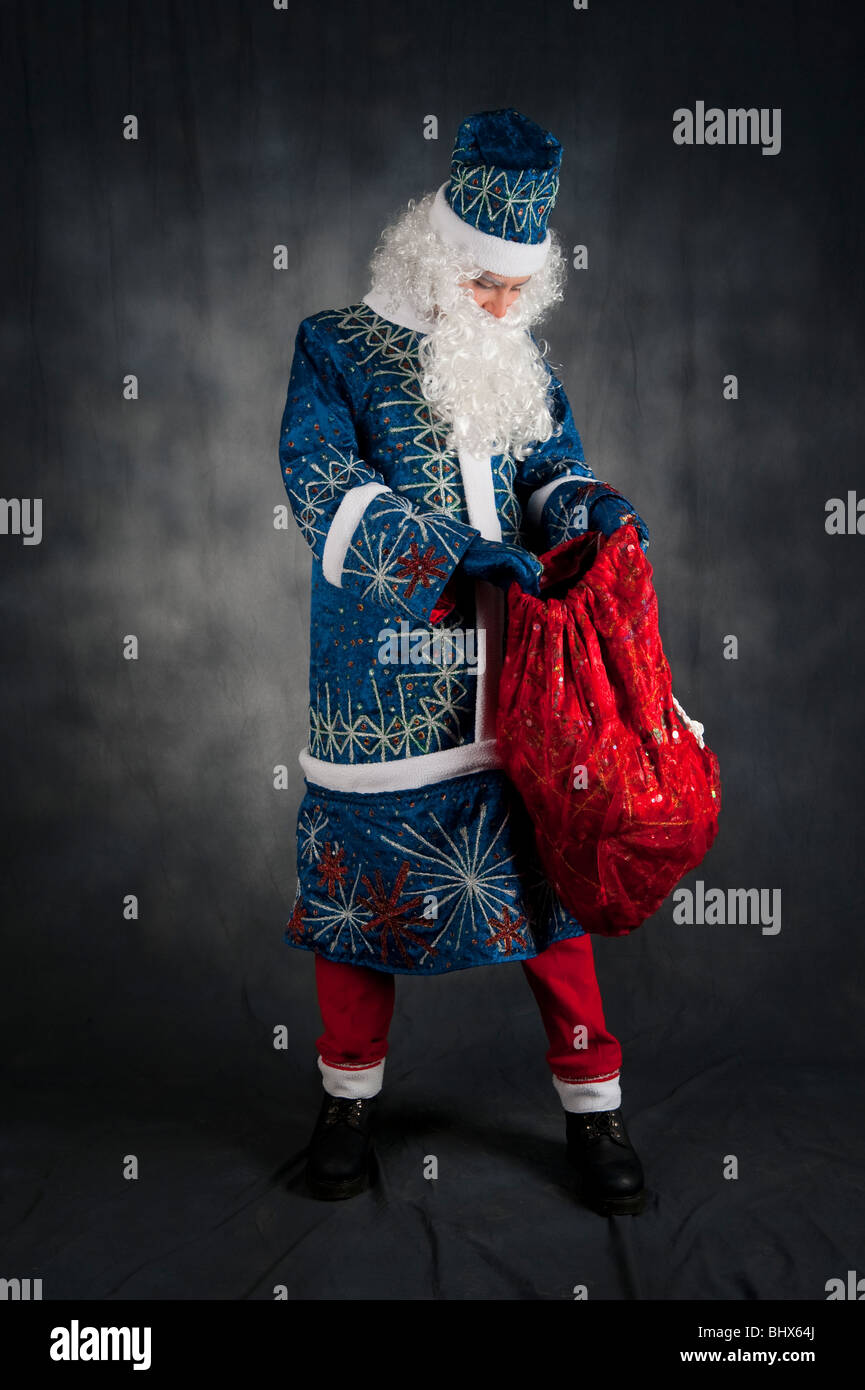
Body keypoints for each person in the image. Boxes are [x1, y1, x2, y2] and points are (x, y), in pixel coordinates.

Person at [277, 108, 651, 1216]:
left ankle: (595, 1107)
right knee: (360, 890)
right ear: (433, 255)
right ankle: (347, 1102)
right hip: (385, 686)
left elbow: (550, 471)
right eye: (481, 283)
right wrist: (448, 551)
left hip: (522, 674)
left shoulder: (517, 358)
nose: (497, 306)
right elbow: (319, 485)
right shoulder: (334, 343)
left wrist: (589, 505)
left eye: (512, 290)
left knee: (552, 892)